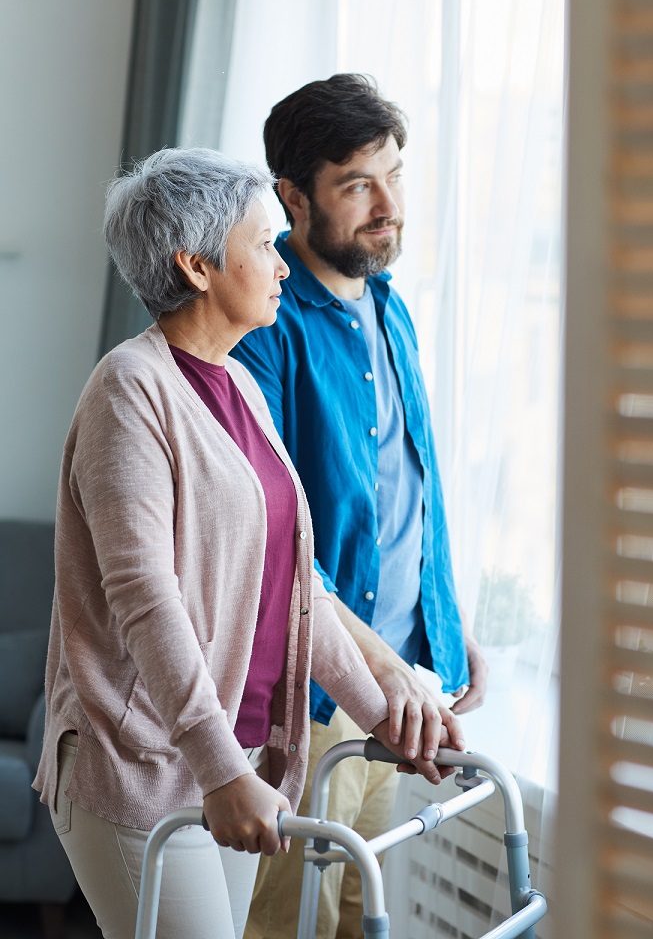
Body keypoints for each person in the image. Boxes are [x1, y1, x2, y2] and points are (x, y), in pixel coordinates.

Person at [33, 147, 465, 939]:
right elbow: (145, 599)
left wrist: (387, 719)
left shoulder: (233, 385)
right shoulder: (129, 391)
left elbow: (299, 587)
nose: (282, 267)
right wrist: (220, 765)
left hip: (228, 761)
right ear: (197, 267)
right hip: (144, 767)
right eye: (264, 246)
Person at [230, 74, 489, 939]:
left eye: (397, 174)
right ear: (293, 199)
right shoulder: (263, 324)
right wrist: (378, 670)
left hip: (402, 676)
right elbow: (272, 537)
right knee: (284, 919)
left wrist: (444, 627)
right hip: (315, 688)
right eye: (357, 184)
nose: (389, 206)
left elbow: (409, 491)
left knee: (354, 916)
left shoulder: (389, 305)